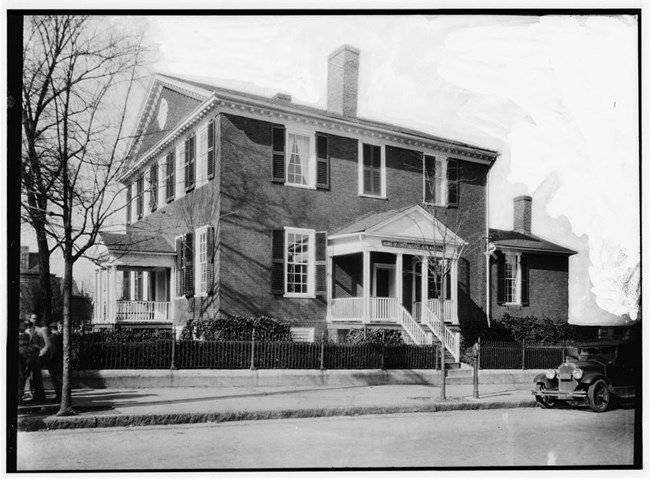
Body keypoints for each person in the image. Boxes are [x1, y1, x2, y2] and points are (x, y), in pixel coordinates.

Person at [28, 314, 50, 402]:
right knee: (28, 376)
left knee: (36, 376)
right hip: (27, 355)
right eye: (33, 319)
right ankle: (32, 394)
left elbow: (47, 344)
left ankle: (39, 396)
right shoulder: (27, 330)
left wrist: (42, 352)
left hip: (36, 356)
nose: (34, 320)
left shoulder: (40, 330)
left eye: (36, 319)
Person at [18, 321, 34, 405]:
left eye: (25, 325)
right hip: (19, 359)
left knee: (22, 378)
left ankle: (20, 397)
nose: (24, 327)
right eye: (23, 325)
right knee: (20, 378)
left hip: (25, 359)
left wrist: (28, 356)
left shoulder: (27, 335)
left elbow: (28, 346)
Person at [48, 321, 64, 403]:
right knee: (58, 379)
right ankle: (60, 396)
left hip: (56, 361)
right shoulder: (59, 336)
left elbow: (54, 351)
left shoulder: (53, 337)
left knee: (57, 379)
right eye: (60, 327)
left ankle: (59, 396)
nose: (61, 329)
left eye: (62, 327)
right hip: (59, 360)